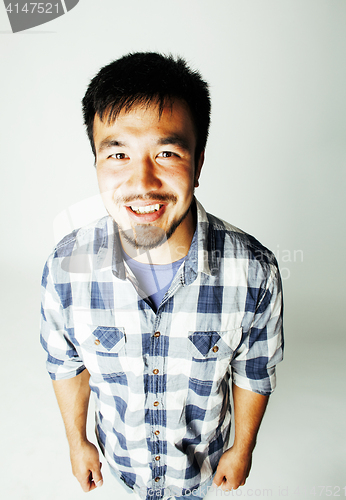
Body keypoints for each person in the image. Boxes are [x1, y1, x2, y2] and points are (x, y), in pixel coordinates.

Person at [40, 52, 284, 500]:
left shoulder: (255, 271)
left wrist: (242, 447)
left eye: (167, 152)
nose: (143, 181)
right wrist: (78, 443)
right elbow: (66, 364)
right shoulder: (64, 265)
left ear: (199, 160)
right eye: (118, 153)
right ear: (96, 160)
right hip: (121, 470)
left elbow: (254, 370)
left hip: (202, 473)